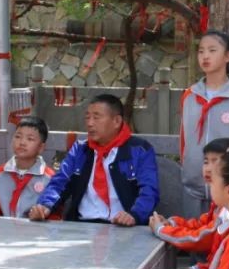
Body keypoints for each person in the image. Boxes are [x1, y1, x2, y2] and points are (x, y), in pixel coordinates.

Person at [28, 94, 158, 226]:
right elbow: (59, 182)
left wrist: (134, 215)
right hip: (81, 225)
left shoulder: (140, 150)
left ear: (117, 121)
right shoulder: (80, 150)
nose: (90, 123)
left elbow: (149, 191)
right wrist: (45, 206)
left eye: (96, 117)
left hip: (123, 227)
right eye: (87, 117)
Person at [178, 31, 229, 216]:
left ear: (228, 56)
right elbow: (184, 141)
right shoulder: (189, 96)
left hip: (228, 194)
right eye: (201, 51)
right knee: (191, 238)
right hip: (192, 190)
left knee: (223, 242)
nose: (205, 56)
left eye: (212, 50)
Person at [151, 137, 229, 254]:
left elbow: (200, 238)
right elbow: (200, 224)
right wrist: (171, 223)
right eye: (206, 162)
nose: (208, 169)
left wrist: (161, 230)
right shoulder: (221, 204)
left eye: (215, 161)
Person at [0, 116, 56, 218]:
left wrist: (41, 216)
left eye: (30, 139)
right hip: (3, 231)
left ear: (41, 147)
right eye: (18, 136)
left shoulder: (49, 178)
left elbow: (55, 217)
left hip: (35, 231)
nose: (22, 143)